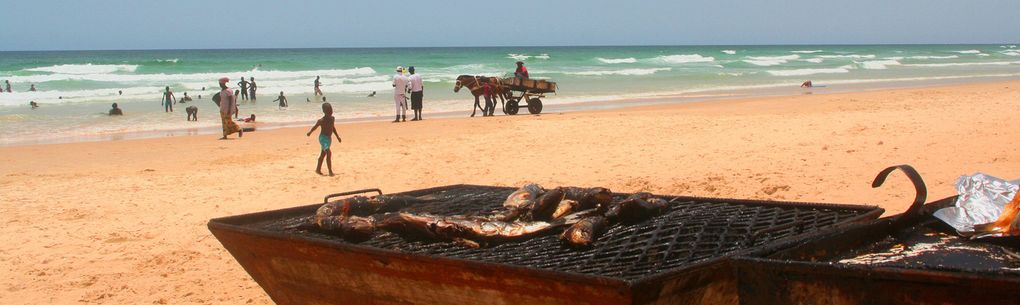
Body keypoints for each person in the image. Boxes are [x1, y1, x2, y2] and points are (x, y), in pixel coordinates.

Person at [307, 103, 342, 176]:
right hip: (322, 138)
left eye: (331, 110)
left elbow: (333, 128)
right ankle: (330, 171)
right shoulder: (321, 121)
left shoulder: (332, 118)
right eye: (328, 110)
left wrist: (337, 136)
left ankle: (318, 169)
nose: (330, 111)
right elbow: (315, 127)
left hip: (329, 139)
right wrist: (310, 132)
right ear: (324, 111)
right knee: (328, 153)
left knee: (323, 154)